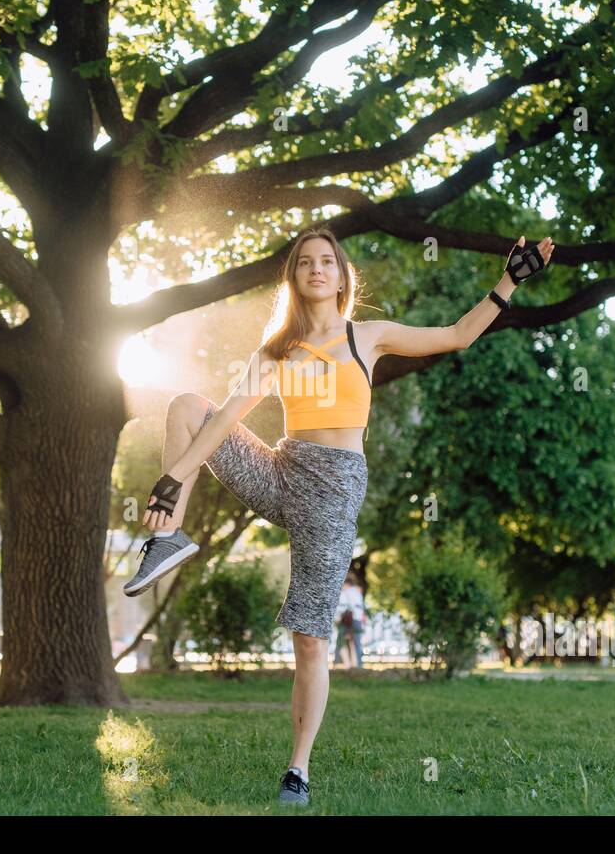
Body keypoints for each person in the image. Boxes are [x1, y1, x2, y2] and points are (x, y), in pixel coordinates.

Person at [121, 225, 555, 805]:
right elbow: (224, 420)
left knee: (309, 637)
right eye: (306, 262)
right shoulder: (276, 350)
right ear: (295, 278)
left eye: (328, 261)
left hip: (334, 488)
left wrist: (509, 281)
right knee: (187, 405)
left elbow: (456, 335)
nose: (317, 269)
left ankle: (297, 769)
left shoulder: (366, 337)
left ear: (341, 276)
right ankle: (169, 539)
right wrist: (173, 480)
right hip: (280, 470)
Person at [332, 571, 367, 669]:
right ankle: (358, 664)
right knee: (357, 642)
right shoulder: (358, 592)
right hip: (357, 620)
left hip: (345, 621)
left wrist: (337, 619)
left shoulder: (344, 593)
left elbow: (341, 608)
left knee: (341, 642)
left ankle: (338, 663)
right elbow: (361, 608)